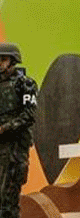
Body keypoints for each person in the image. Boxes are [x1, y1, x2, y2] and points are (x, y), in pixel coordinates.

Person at [0, 43, 38, 218]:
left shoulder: (25, 84)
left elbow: (29, 115)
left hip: (14, 148)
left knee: (8, 201)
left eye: (3, 59)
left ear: (13, 61)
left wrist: (5, 128)